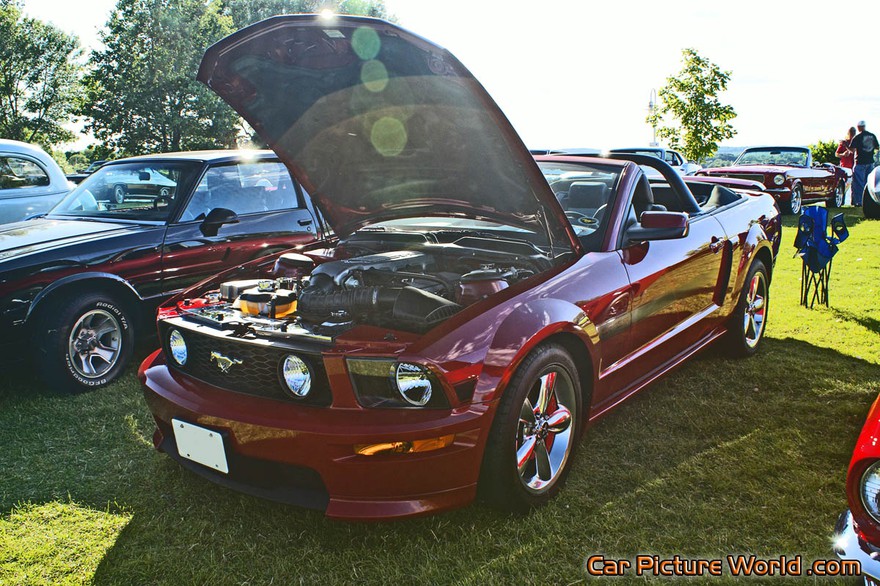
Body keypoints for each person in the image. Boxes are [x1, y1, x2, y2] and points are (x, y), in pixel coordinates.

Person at [850, 120, 878, 207]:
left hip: (860, 162)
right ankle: (869, 202)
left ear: (858, 127)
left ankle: (859, 202)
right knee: (868, 183)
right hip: (870, 162)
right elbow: (877, 147)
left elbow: (852, 150)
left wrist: (845, 146)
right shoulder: (872, 136)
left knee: (858, 183)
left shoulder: (858, 137)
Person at [836, 127, 855, 205]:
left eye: (854, 132)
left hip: (853, 166)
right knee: (843, 184)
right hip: (844, 166)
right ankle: (842, 201)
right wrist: (843, 154)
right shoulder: (843, 143)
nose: (852, 134)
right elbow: (836, 154)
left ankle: (853, 201)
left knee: (854, 185)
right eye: (851, 133)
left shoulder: (855, 142)